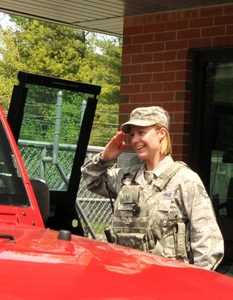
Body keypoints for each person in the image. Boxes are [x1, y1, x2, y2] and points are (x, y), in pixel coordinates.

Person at [81, 106, 224, 270]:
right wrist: (105, 158)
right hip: (126, 278)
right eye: (132, 134)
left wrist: (193, 284)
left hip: (167, 284)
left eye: (141, 133)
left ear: (161, 133)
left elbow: (208, 242)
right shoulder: (126, 178)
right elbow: (91, 180)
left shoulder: (184, 180)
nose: (135, 140)